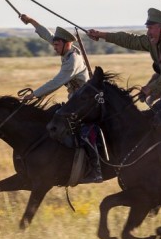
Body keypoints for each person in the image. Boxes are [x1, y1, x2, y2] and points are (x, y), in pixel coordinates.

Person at [86, 8, 161, 194]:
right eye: (148, 27)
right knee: (146, 125)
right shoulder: (154, 42)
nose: (148, 31)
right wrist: (101, 35)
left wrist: (152, 88)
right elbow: (129, 40)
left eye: (152, 27)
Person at [20, 14, 102, 183]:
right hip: (75, 101)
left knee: (85, 132)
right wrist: (32, 21)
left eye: (56, 45)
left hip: (85, 104)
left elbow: (56, 82)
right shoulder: (65, 48)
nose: (54, 47)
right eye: (54, 44)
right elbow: (47, 35)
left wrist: (34, 94)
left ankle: (96, 170)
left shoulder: (73, 61)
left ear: (67, 43)